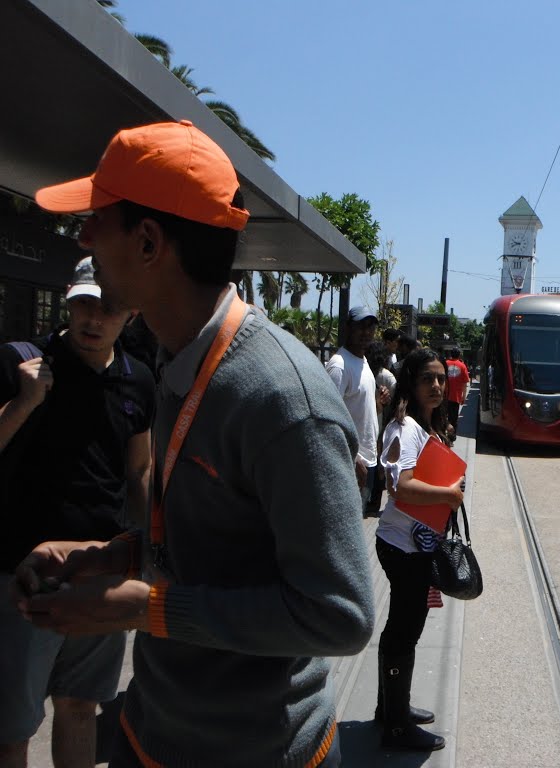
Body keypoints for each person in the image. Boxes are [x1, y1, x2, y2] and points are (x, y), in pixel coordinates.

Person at [17, 119, 374, 767]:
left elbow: (339, 615)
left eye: (98, 220)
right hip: (155, 732)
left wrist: (148, 609)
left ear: (150, 242)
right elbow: (217, 543)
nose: (85, 238)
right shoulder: (173, 359)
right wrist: (110, 555)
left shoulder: (282, 398)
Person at [0, 256, 154, 768]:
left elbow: (139, 473)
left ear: (131, 314)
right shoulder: (24, 363)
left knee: (81, 706)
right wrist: (23, 402)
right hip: (22, 569)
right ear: (69, 301)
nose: (93, 319)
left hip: (99, 568)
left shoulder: (138, 381)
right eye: (84, 305)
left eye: (108, 308)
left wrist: (160, 547)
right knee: (12, 726)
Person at [375, 348, 463, 752]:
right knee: (403, 633)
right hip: (401, 546)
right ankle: (396, 724)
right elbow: (399, 486)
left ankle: (393, 709)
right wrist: (447, 495)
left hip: (415, 545)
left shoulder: (428, 427)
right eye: (428, 378)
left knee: (405, 630)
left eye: (441, 379)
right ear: (410, 381)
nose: (437, 386)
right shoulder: (404, 427)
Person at [327, 307, 382, 511]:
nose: (366, 332)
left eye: (371, 327)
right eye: (361, 326)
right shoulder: (339, 366)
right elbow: (328, 420)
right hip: (350, 464)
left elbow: (359, 412)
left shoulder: (362, 361)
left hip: (368, 462)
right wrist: (353, 457)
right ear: (348, 328)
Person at [365, 340, 396, 516]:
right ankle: (375, 501)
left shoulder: (363, 372)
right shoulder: (388, 377)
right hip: (382, 427)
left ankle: (369, 499)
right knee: (379, 466)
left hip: (369, 426)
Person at [445, 347, 470, 442]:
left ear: (451, 354)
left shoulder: (445, 364)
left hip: (444, 396)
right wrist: (463, 397)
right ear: (459, 355)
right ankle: (451, 438)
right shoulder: (462, 366)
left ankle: (443, 435)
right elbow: (464, 384)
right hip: (456, 397)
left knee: (443, 416)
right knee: (453, 419)